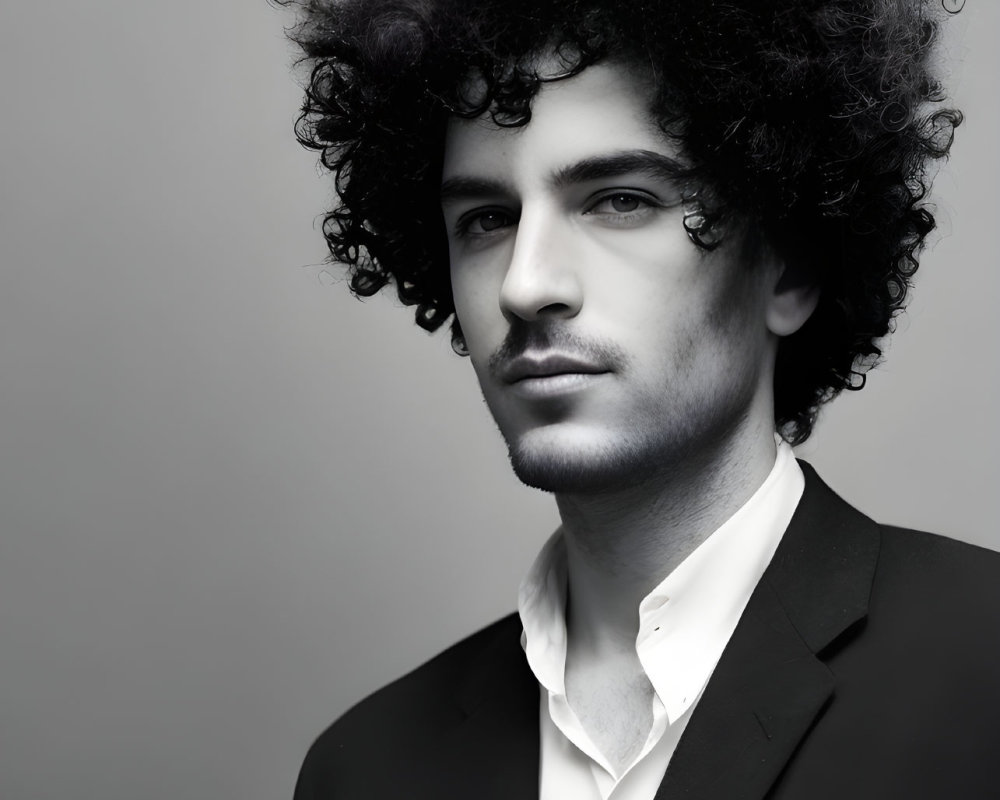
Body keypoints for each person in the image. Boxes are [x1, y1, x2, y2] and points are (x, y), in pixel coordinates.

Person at [280, 1, 1000, 797]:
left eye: (620, 200)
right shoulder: (366, 770)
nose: (526, 285)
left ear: (788, 268)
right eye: (486, 219)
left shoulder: (986, 667)